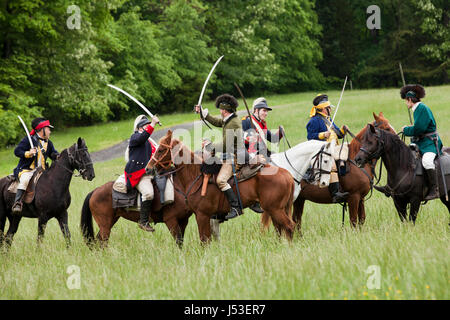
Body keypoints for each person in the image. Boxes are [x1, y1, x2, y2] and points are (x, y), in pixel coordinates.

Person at [195, 94, 246, 220]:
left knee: (220, 180)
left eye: (220, 109)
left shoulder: (232, 123)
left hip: (234, 156)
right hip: (230, 153)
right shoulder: (230, 119)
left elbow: (224, 146)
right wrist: (204, 115)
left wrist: (210, 145)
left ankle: (236, 207)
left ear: (224, 110)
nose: (219, 111)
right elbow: (218, 122)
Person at [241, 97, 283, 213]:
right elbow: (244, 138)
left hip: (262, 153)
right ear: (256, 110)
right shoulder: (246, 121)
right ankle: (254, 200)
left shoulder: (261, 124)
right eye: (264, 110)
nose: (266, 113)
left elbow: (272, 139)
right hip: (248, 153)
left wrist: (279, 133)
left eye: (266, 111)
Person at [401, 84, 443, 200]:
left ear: (410, 100)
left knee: (427, 161)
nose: (406, 103)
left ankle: (435, 189)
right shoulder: (418, 109)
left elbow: (420, 128)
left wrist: (406, 130)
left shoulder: (421, 108)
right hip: (422, 142)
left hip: (430, 143)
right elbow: (419, 126)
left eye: (406, 100)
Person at [306, 94, 349, 203]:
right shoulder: (314, 121)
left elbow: (339, 134)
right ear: (323, 109)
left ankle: (343, 168)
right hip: (323, 149)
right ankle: (335, 194)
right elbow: (310, 137)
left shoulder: (329, 119)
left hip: (334, 147)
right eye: (328, 108)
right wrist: (322, 135)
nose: (330, 109)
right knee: (332, 164)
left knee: (347, 146)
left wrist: (344, 130)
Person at [12, 117, 59, 213]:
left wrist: (58, 156)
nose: (50, 131)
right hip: (27, 170)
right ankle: (17, 202)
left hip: (42, 170)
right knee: (25, 180)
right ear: (42, 130)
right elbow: (17, 151)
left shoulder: (48, 143)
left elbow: (53, 154)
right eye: (48, 129)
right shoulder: (27, 140)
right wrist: (28, 153)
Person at [125, 114, 160, 232]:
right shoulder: (135, 138)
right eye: (146, 126)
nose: (149, 127)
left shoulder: (149, 142)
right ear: (140, 128)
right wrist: (153, 124)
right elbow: (142, 137)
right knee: (148, 193)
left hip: (152, 172)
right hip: (139, 174)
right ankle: (143, 221)